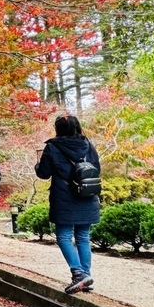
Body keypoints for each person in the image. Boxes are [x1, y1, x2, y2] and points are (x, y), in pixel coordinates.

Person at [35, 115, 101, 294]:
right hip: (87, 196)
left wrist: (38, 165)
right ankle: (85, 275)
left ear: (58, 129)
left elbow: (44, 174)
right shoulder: (88, 145)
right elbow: (97, 169)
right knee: (83, 237)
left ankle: (79, 274)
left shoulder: (53, 147)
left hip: (64, 198)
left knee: (64, 236)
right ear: (77, 127)